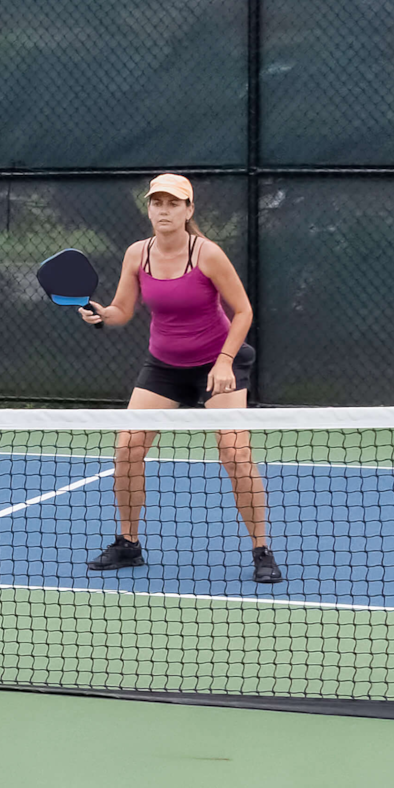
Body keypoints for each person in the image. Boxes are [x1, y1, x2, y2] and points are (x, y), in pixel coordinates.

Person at [77, 173, 283, 584]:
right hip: (164, 367)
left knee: (234, 454)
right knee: (127, 448)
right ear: (149, 209)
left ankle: (262, 550)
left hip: (218, 363)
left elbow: (243, 311)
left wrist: (224, 362)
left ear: (189, 210)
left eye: (174, 203)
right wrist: (101, 314)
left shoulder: (207, 253)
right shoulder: (138, 254)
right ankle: (128, 543)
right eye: (157, 203)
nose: (164, 210)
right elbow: (122, 310)